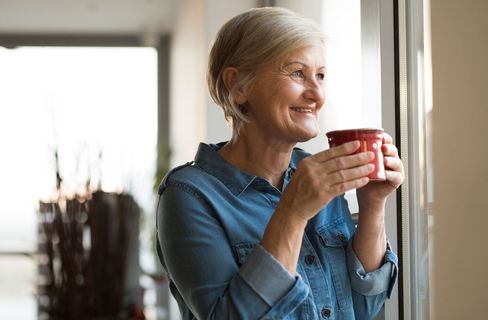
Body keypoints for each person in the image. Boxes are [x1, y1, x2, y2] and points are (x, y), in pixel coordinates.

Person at [156, 7, 403, 320]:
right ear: (239, 86)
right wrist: (293, 212)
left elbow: (364, 306)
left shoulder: (318, 174)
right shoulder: (189, 196)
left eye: (321, 76)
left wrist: (373, 205)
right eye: (298, 73)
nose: (316, 94)